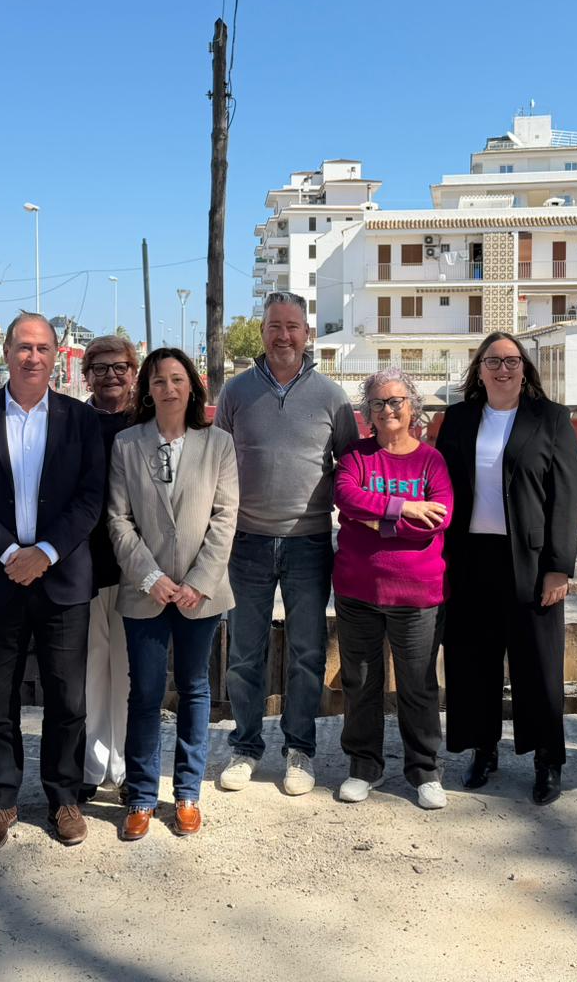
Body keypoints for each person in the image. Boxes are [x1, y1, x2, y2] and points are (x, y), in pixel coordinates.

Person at [0, 312, 105, 850]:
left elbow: (90, 497)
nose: (32, 356)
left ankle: (63, 797)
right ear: (6, 352)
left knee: (67, 697)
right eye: (22, 347)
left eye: (42, 347)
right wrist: (13, 552)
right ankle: (2, 797)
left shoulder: (81, 421)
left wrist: (48, 552)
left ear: (57, 354)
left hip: (62, 581)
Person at [213, 291, 357, 797]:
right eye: (274, 326)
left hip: (310, 542)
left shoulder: (332, 397)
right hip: (247, 541)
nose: (283, 336)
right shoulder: (235, 393)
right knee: (244, 652)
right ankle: (246, 746)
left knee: (307, 651)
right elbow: (217, 464)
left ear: (307, 334)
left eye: (292, 326)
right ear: (262, 332)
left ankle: (300, 749)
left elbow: (350, 468)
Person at [436, 332, 577, 805]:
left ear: (525, 368)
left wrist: (560, 566)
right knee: (472, 658)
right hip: (469, 556)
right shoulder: (457, 419)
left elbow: (566, 497)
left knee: (537, 665)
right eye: (493, 361)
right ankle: (483, 749)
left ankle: (547, 760)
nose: (503, 369)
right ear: (478, 370)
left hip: (532, 560)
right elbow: (439, 488)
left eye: (512, 361)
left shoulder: (552, 419)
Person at [107, 348, 239, 839]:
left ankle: (187, 793)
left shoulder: (218, 444)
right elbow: (117, 519)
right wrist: (151, 578)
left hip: (199, 595)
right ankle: (140, 796)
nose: (168, 388)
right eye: (158, 380)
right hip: (145, 592)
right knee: (143, 693)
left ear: (192, 386)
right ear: (147, 389)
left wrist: (196, 583)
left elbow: (226, 517)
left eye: (177, 379)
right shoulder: (126, 444)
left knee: (195, 689)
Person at [332, 368, 453, 810]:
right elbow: (346, 498)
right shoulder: (356, 456)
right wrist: (403, 509)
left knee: (418, 686)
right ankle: (364, 766)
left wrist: (374, 520)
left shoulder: (431, 461)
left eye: (397, 401)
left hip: (417, 594)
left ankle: (424, 771)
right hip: (357, 589)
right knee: (360, 681)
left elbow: (439, 520)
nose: (388, 410)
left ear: (413, 407)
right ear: (367, 411)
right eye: (379, 402)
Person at [78, 334, 140, 803]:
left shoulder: (149, 422)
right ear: (86, 376)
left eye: (119, 367)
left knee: (129, 671)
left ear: (133, 371)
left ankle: (125, 766)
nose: (110, 376)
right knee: (91, 668)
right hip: (84, 563)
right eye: (99, 368)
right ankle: (92, 764)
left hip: (139, 567)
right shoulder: (72, 422)